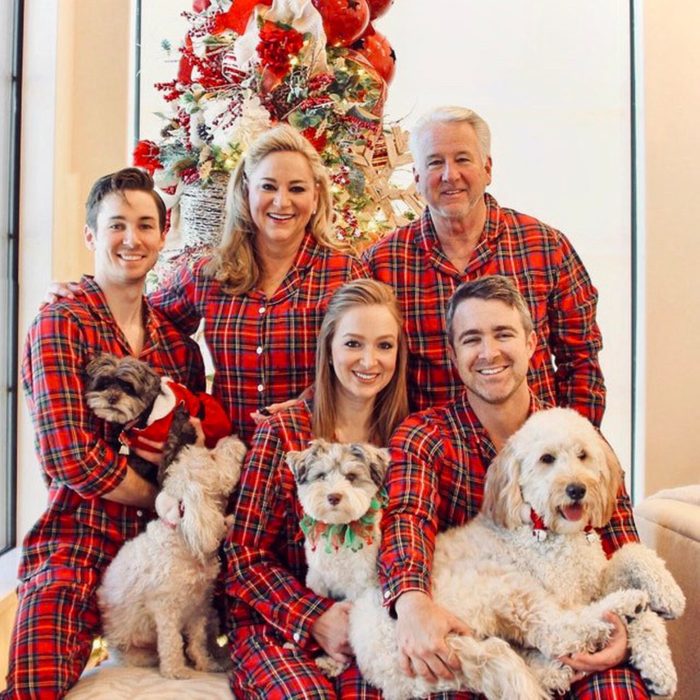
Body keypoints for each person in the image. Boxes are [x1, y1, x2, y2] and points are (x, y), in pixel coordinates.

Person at [378, 275, 648, 699]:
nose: (489, 353)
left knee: (620, 689)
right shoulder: (425, 435)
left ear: (531, 343)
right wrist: (411, 602)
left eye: (503, 334)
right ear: (453, 354)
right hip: (481, 630)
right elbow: (406, 518)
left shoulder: (576, 436)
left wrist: (625, 632)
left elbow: (620, 539)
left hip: (572, 624)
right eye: (471, 339)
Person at [2, 169, 205, 699]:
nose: (131, 239)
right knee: (34, 682)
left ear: (164, 236)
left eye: (145, 225)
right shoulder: (60, 323)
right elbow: (72, 459)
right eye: (117, 225)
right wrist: (157, 498)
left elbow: (189, 447)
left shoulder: (177, 348)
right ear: (92, 235)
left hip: (159, 545)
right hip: (79, 535)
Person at [48, 125, 367, 445]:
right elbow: (140, 320)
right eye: (268, 186)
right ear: (246, 191)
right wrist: (83, 299)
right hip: (232, 465)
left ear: (316, 197)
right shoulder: (210, 273)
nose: (281, 202)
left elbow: (369, 364)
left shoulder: (345, 275)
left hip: (314, 460)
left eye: (297, 189)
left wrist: (308, 402)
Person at [363, 106, 606, 426]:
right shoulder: (383, 264)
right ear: (417, 178)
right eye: (435, 162)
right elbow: (359, 362)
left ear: (487, 169)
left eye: (463, 159)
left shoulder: (545, 247)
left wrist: (572, 447)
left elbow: (581, 361)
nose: (450, 175)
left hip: (534, 454)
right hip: (435, 458)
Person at [225, 279, 408, 699]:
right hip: (276, 619)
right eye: (353, 344)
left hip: (370, 620)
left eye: (384, 346)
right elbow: (243, 556)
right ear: (328, 347)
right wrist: (314, 617)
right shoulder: (285, 432)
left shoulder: (403, 440)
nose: (369, 360)